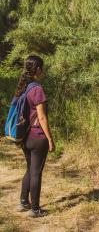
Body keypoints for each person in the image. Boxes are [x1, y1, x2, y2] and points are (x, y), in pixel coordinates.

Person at [16, 55, 56, 217]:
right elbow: (42, 117)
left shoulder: (23, 86)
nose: (43, 70)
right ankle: (35, 209)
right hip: (38, 136)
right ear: (38, 69)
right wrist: (50, 139)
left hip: (25, 136)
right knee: (36, 172)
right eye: (42, 67)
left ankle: (24, 202)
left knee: (30, 169)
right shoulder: (37, 89)